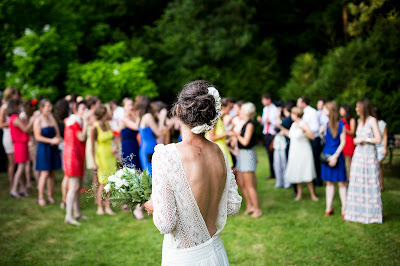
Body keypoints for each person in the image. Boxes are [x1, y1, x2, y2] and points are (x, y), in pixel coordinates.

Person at [143, 80, 242, 265]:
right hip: (216, 253)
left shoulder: (166, 156)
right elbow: (232, 206)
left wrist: (153, 204)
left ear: (178, 110)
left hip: (185, 257)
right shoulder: (219, 152)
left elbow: (165, 223)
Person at [344, 99, 382, 224]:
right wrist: (356, 140)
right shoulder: (360, 122)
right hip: (359, 155)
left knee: (369, 182)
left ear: (363, 108)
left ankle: (371, 213)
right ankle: (356, 212)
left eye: (357, 107)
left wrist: (365, 139)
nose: (355, 109)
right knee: (357, 181)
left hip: (369, 155)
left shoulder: (372, 120)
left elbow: (378, 139)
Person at [230, 102, 262, 218]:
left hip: (247, 154)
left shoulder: (250, 125)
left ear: (247, 112)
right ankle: (250, 206)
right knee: (242, 183)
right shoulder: (244, 123)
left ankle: (257, 209)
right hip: (242, 154)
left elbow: (245, 142)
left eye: (242, 110)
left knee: (249, 185)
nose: (240, 112)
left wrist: (236, 135)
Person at [280, 107, 318, 201]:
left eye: (292, 114)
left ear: (296, 114)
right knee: (297, 171)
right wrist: (280, 128)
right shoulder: (293, 124)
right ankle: (299, 194)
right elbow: (291, 135)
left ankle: (312, 194)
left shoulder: (303, 123)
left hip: (304, 150)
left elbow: (312, 136)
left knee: (306, 170)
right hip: (295, 150)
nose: (291, 115)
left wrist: (303, 129)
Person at [63, 101, 89, 226]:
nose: (85, 111)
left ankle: (77, 213)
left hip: (77, 156)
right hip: (72, 157)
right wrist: (86, 123)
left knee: (77, 186)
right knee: (73, 186)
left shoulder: (75, 121)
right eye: (83, 108)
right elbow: (82, 137)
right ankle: (68, 215)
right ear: (76, 110)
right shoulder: (74, 122)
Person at [320, 102, 347, 218]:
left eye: (325, 109)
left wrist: (335, 156)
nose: (323, 111)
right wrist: (321, 133)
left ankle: (344, 209)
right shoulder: (325, 125)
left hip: (337, 155)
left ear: (330, 111)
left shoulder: (341, 125)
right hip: (327, 155)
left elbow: (343, 142)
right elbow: (324, 141)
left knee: (341, 183)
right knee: (329, 182)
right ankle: (328, 208)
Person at [34, 99, 62, 206]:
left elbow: (57, 132)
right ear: (41, 108)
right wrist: (51, 140)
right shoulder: (38, 120)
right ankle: (40, 196)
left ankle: (50, 195)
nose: (50, 108)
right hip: (44, 149)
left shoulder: (52, 118)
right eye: (47, 106)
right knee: (44, 173)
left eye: (50, 106)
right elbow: (37, 136)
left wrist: (57, 138)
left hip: (53, 148)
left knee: (52, 173)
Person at [91, 105, 117, 215]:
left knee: (110, 182)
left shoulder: (107, 125)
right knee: (102, 182)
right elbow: (92, 146)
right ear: (103, 114)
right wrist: (93, 161)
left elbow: (114, 138)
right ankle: (100, 206)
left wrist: (115, 146)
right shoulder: (95, 127)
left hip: (110, 156)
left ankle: (108, 205)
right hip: (101, 156)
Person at [8, 99, 34, 198]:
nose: (21, 107)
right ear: (16, 106)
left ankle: (22, 188)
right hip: (20, 144)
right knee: (21, 167)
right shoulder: (15, 118)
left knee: (22, 167)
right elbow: (26, 129)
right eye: (19, 105)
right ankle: (14, 189)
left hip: (21, 144)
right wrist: (31, 121)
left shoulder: (14, 118)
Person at [137, 96, 165, 176]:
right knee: (152, 175)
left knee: (149, 174)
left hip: (144, 148)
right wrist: (162, 118)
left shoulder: (142, 116)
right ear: (151, 104)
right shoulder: (148, 116)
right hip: (150, 148)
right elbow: (159, 133)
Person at [297, 97, 322, 187]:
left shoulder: (311, 112)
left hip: (314, 138)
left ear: (303, 103)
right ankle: (311, 179)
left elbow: (316, 128)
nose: (297, 104)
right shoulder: (304, 112)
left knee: (315, 160)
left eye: (298, 102)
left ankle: (318, 181)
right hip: (307, 139)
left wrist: (305, 128)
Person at [0, 87, 19, 190]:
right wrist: (12, 122)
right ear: (11, 95)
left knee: (19, 161)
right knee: (12, 163)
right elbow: (1, 124)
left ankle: (19, 183)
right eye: (15, 94)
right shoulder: (4, 108)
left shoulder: (15, 106)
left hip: (17, 136)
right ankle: (12, 184)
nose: (17, 96)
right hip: (8, 137)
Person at [206, 98, 233, 167]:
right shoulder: (215, 120)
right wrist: (226, 133)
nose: (231, 109)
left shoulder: (221, 119)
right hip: (217, 150)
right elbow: (211, 137)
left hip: (223, 148)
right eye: (230, 107)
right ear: (223, 107)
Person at [273, 101, 294, 189]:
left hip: (284, 145)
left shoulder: (287, 119)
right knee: (277, 164)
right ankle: (279, 182)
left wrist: (278, 118)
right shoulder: (284, 119)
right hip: (278, 144)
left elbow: (277, 128)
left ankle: (286, 182)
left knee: (284, 164)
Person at [54, 98, 71, 209]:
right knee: (68, 176)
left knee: (67, 176)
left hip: (65, 147)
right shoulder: (68, 121)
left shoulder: (60, 121)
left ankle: (66, 199)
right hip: (69, 148)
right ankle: (65, 199)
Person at [257, 93, 277, 179]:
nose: (262, 102)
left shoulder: (274, 109)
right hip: (266, 133)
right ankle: (272, 173)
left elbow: (271, 121)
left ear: (269, 99)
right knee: (269, 154)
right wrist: (261, 121)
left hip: (272, 133)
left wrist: (263, 120)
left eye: (263, 100)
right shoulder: (265, 109)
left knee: (273, 154)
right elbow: (264, 122)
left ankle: (276, 173)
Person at [120, 98, 141, 169]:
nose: (131, 107)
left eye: (132, 105)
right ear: (124, 107)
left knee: (138, 166)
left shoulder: (134, 117)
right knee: (131, 165)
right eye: (129, 105)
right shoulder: (124, 118)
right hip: (127, 145)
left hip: (135, 143)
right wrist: (138, 115)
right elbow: (136, 127)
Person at [373, 107, 387, 190]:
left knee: (378, 166)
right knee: (374, 167)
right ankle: (375, 184)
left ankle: (381, 185)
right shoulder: (371, 123)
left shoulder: (382, 124)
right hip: (373, 147)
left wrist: (385, 148)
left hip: (381, 147)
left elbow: (385, 136)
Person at [339, 105, 356, 176]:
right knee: (343, 160)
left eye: (341, 110)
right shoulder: (341, 120)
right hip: (342, 141)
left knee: (350, 160)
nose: (340, 111)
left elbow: (352, 132)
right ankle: (345, 175)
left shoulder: (351, 120)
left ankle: (351, 176)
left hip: (349, 141)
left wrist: (344, 129)